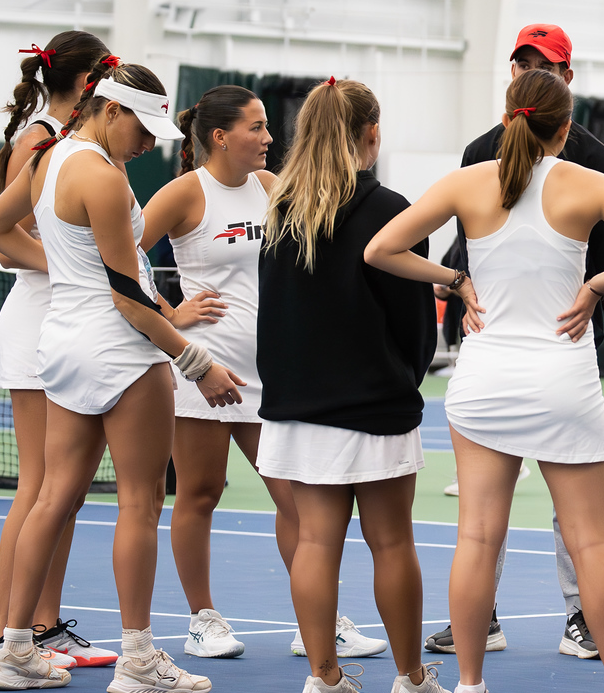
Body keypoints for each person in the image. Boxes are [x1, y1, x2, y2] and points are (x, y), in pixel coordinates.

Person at [366, 68, 604, 693]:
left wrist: (455, 281)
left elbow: (380, 250)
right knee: (591, 545)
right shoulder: (589, 184)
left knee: (476, 538)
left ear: (506, 117)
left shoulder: (466, 183)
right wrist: (596, 286)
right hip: (564, 379)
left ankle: (469, 683)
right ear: (565, 129)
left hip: (483, 382)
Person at [0, 56, 243, 691]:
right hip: (122, 352)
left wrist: (69, 272)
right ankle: (139, 660)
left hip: (62, 345)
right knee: (139, 503)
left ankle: (13, 651)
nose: (149, 144)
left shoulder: (48, 159)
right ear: (112, 109)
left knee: (53, 495)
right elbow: (129, 298)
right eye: (143, 129)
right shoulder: (103, 177)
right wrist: (196, 362)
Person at [140, 84, 387, 662]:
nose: (270, 137)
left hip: (271, 374)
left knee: (296, 502)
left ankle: (316, 622)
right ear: (221, 136)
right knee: (200, 493)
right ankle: (202, 620)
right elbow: (122, 261)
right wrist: (171, 315)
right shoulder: (184, 192)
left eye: (268, 126)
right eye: (256, 127)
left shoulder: (272, 187)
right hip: (204, 372)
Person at [425, 21, 604, 661]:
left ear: (567, 77)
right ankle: (480, 619)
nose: (530, 71)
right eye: (522, 62)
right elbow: (467, 247)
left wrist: (592, 298)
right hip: (496, 344)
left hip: (562, 346)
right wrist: (458, 287)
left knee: (572, 519)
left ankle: (581, 616)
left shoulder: (592, 157)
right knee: (487, 518)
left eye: (544, 63)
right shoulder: (478, 151)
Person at [255, 77, 442, 693]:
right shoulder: (389, 208)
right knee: (392, 543)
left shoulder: (282, 209)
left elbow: (275, 311)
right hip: (373, 403)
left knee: (314, 541)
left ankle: (324, 678)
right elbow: (415, 319)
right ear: (372, 134)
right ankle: (411, 678)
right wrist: (403, 378)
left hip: (297, 403)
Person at [0, 30, 118, 674]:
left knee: (67, 491)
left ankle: (42, 628)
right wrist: (74, 269)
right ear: (90, 83)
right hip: (41, 323)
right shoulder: (42, 138)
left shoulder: (81, 143)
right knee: (39, 486)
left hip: (69, 322)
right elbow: (7, 244)